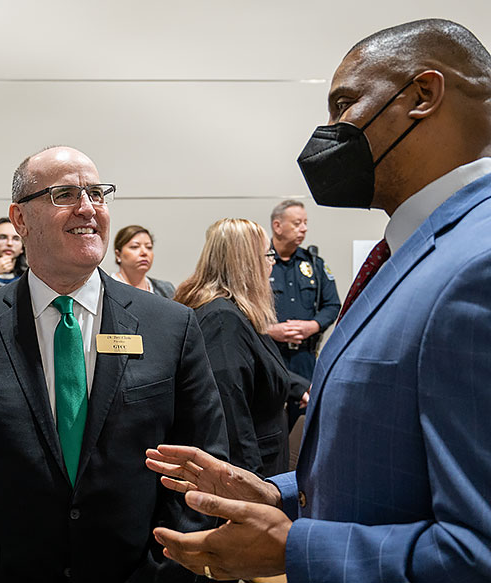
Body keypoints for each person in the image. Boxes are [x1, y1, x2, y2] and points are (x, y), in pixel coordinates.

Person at [145, 18, 491, 582]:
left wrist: (295, 549)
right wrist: (276, 492)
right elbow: (393, 465)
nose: (330, 131)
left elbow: (479, 551)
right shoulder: (413, 251)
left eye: (345, 104)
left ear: (423, 96)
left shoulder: (478, 264)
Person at [0, 146, 228, 583]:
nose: (88, 208)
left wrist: (165, 570)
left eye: (98, 194)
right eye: (64, 194)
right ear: (20, 219)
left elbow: (202, 464)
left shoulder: (171, 325)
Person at [176, 218, 306, 478]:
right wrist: (249, 488)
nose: (273, 262)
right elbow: (231, 416)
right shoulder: (223, 320)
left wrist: (300, 387)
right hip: (252, 469)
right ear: (246, 262)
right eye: (268, 254)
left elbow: (257, 366)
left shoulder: (231, 311)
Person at [268, 200, 340, 427]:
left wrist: (314, 326)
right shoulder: (260, 262)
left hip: (305, 358)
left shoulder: (314, 264)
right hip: (270, 356)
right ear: (277, 226)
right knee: (271, 421)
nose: (304, 228)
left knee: (306, 424)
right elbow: (242, 307)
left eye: (306, 223)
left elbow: (332, 305)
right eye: (297, 223)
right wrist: (270, 330)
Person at [111, 224, 175, 298]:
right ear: (118, 255)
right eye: (135, 247)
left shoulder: (165, 289)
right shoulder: (106, 288)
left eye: (149, 247)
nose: (144, 252)